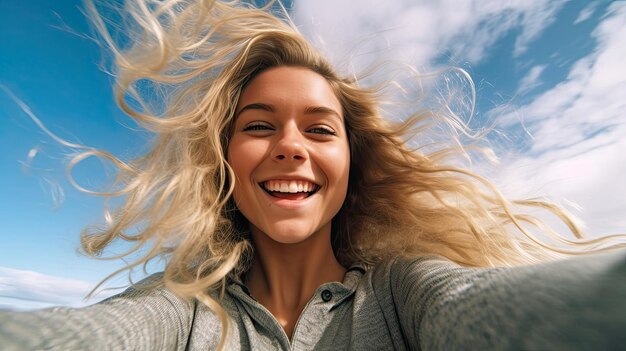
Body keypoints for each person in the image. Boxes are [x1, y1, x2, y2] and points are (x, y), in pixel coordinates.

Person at [2, 0, 626, 350]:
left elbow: (519, 316)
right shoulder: (182, 311)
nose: (291, 146)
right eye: (258, 125)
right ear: (224, 161)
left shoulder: (405, 294)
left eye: (320, 129)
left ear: (352, 164)